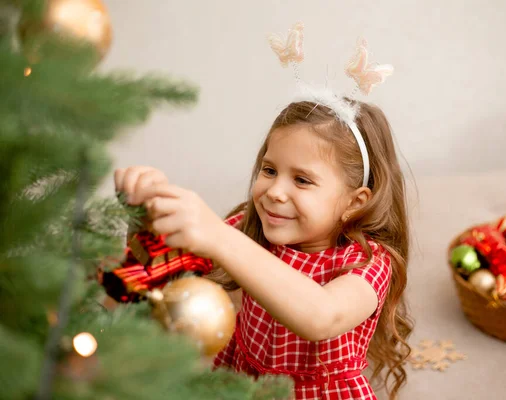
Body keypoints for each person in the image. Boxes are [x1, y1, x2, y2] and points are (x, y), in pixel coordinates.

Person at [114, 95, 413, 399]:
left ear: (354, 203)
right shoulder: (250, 228)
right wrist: (142, 217)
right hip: (245, 380)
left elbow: (323, 317)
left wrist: (219, 236)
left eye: (301, 180)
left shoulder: (369, 262)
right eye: (269, 170)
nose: (274, 192)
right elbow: (157, 276)